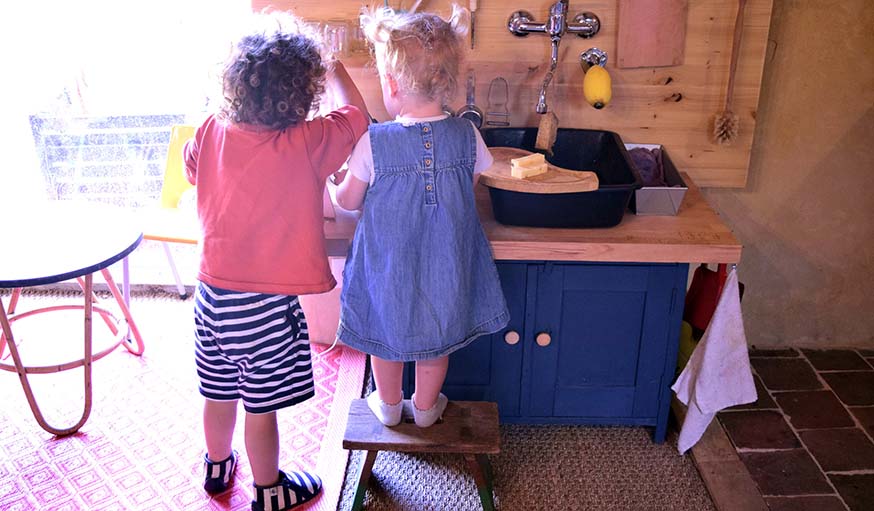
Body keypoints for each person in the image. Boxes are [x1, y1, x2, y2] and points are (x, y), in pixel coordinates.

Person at [183, 12, 369, 511]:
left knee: (218, 390)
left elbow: (191, 165)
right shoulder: (306, 142)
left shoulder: (211, 128)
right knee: (261, 408)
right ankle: (270, 492)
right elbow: (358, 114)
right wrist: (333, 65)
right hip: (263, 307)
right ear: (301, 91)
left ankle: (217, 468)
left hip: (211, 297)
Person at [335, 5, 509, 428]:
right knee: (437, 337)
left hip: (388, 265)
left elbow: (347, 202)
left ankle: (390, 407)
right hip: (446, 260)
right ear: (447, 82)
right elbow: (470, 184)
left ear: (391, 84)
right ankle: (428, 407)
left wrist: (331, 183)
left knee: (384, 334)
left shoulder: (373, 142)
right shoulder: (468, 134)